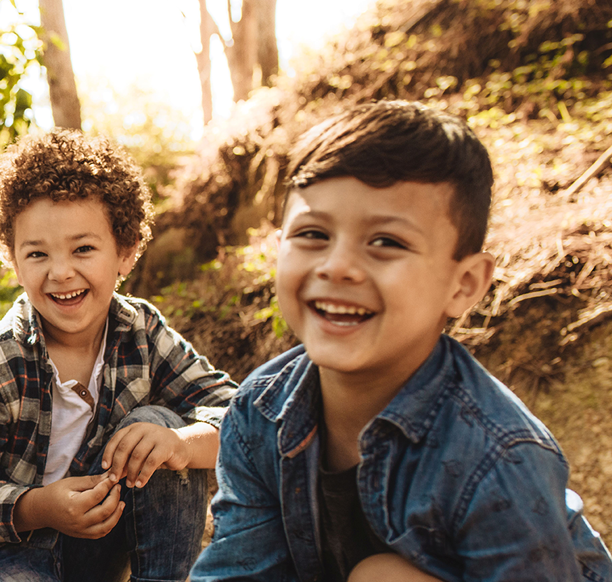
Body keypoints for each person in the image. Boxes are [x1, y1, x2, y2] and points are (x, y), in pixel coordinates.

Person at [191, 101, 612, 581]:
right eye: (312, 233)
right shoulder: (261, 410)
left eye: (386, 242)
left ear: (463, 285)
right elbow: (240, 570)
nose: (337, 266)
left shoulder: (498, 455)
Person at [0, 130, 238, 582]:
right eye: (38, 253)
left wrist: (182, 444)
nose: (61, 272)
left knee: (160, 429)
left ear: (125, 251)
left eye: (83, 248)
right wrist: (38, 508)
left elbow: (241, 417)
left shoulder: (140, 333)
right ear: (14, 261)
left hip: (90, 554)